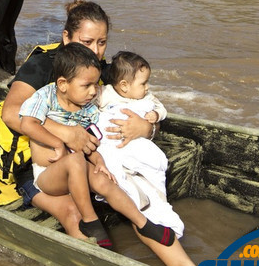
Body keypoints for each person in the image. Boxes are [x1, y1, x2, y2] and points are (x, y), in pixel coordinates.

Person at [0, 0, 202, 266]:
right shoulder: (44, 64)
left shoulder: (100, 72)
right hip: (41, 163)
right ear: (66, 37)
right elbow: (11, 113)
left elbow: (141, 105)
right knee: (72, 210)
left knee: (129, 187)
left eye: (102, 42)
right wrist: (66, 134)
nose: (95, 51)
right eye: (87, 41)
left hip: (88, 156)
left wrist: (146, 128)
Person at [19, 42, 177, 249]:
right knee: (75, 160)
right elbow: (27, 123)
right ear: (63, 84)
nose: (94, 91)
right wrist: (57, 143)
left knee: (104, 181)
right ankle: (90, 220)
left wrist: (100, 162)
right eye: (87, 86)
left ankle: (144, 223)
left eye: (96, 85)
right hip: (48, 176)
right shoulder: (45, 97)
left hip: (77, 169)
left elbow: (90, 144)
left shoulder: (89, 110)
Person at [96, 51, 185, 240]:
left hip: (137, 143)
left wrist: (155, 116)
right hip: (114, 142)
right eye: (143, 83)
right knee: (111, 159)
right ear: (124, 86)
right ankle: (131, 190)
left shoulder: (147, 98)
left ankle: (155, 197)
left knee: (154, 162)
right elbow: (90, 105)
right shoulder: (106, 94)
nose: (147, 87)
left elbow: (161, 108)